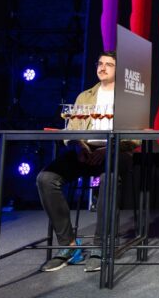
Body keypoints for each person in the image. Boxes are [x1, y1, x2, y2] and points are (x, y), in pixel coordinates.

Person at [36, 51, 134, 273]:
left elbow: (135, 139)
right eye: (100, 63)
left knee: (108, 177)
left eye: (109, 64)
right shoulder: (85, 96)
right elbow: (70, 130)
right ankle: (69, 245)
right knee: (46, 178)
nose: (103, 67)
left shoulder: (128, 97)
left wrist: (109, 149)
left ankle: (101, 246)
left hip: (116, 151)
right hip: (85, 150)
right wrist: (78, 145)